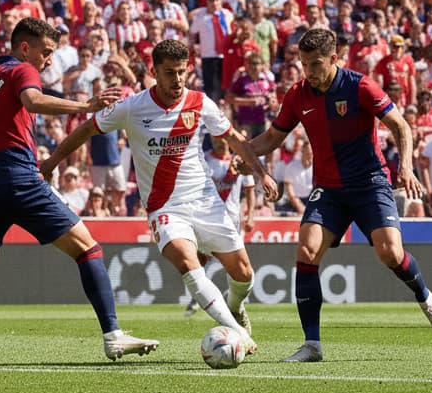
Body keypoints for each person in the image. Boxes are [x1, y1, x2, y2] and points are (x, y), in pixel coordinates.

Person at [0, 18, 159, 369]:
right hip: (20, 179)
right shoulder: (22, 71)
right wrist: (86, 107)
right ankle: (113, 335)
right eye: (46, 51)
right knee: (89, 249)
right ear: (25, 47)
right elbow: (34, 102)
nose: (49, 60)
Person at [41, 39, 277, 353]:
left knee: (244, 274)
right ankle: (239, 335)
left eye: (182, 72)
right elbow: (86, 130)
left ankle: (234, 307)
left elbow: (234, 139)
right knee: (187, 263)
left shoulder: (200, 102)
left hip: (205, 200)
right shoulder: (132, 106)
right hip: (165, 206)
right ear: (155, 72)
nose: (177, 79)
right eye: (169, 73)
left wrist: (262, 174)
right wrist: (51, 162)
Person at [247, 28, 432, 363]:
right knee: (306, 250)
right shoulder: (298, 94)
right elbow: (271, 138)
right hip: (328, 189)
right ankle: (312, 345)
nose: (309, 72)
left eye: (315, 64)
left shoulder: (360, 86)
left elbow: (401, 125)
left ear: (334, 59)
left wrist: (406, 167)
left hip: (370, 183)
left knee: (389, 253)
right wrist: (244, 155)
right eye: (304, 65)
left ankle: (424, 296)